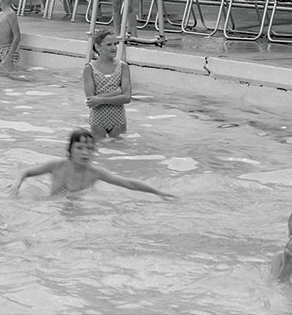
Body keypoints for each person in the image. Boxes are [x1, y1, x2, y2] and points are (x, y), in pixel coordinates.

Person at [12, 129, 173, 199]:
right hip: (51, 205)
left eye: (89, 148)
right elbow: (26, 172)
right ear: (70, 150)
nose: (85, 152)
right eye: (79, 148)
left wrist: (158, 192)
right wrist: (16, 185)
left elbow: (128, 183)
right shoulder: (57, 166)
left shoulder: (95, 173)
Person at [84, 27, 132, 139]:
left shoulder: (123, 66)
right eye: (109, 45)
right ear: (98, 47)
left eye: (115, 44)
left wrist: (100, 99)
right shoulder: (89, 68)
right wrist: (116, 92)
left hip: (118, 119)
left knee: (119, 152)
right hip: (98, 120)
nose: (114, 48)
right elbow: (91, 100)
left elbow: (127, 98)